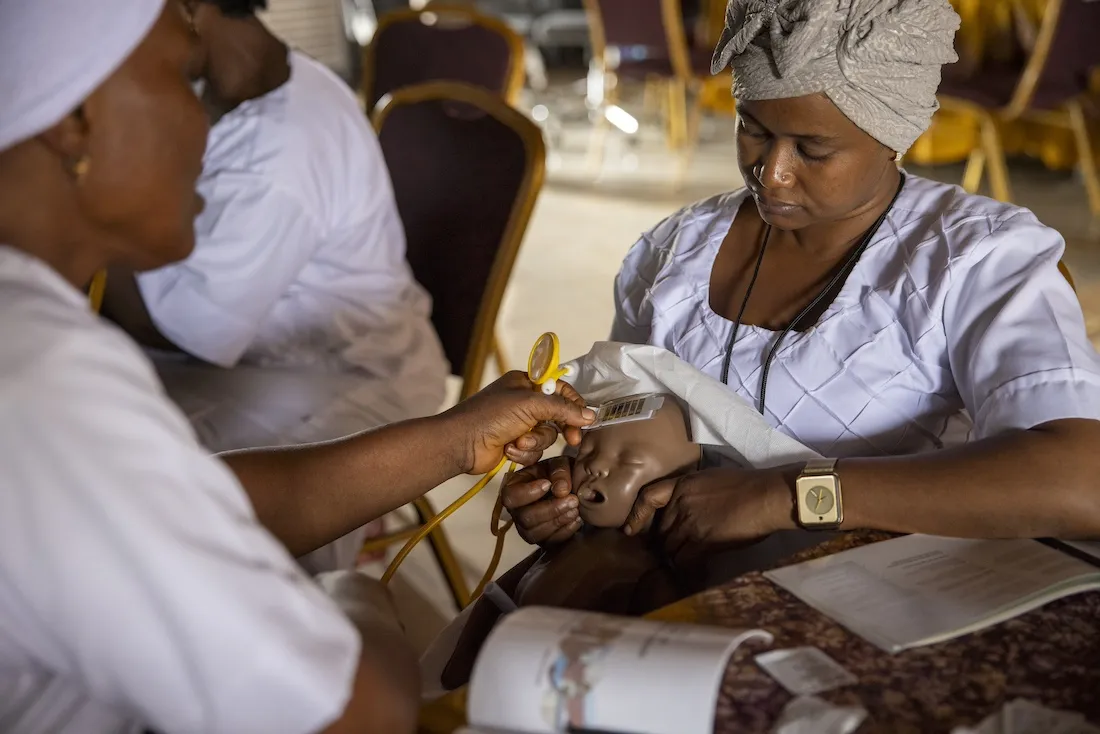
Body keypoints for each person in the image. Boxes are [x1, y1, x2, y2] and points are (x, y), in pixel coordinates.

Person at [0, 3, 593, 732]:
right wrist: (355, 600)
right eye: (184, 81)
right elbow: (356, 713)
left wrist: (455, 439)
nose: (207, 123)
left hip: (338, 376)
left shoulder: (31, 346)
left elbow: (192, 494)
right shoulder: (45, 383)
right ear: (75, 119)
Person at [503, 0, 1100, 565]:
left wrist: (786, 496)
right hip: (674, 578)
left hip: (873, 593)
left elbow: (1081, 481)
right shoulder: (674, 251)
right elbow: (623, 416)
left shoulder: (974, 259)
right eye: (754, 129)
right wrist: (574, 487)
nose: (772, 172)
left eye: (813, 149)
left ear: (895, 138)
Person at [100, 0, 450, 572]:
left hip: (351, 374)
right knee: (95, 430)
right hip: (254, 358)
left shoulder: (280, 150)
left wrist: (76, 232)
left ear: (190, 9)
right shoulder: (239, 87)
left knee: (180, 496)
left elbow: (186, 329)